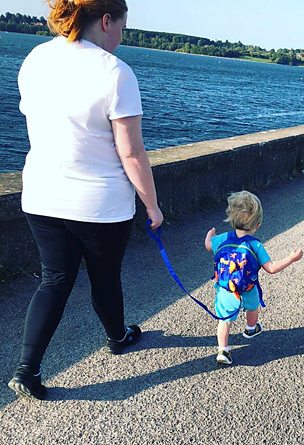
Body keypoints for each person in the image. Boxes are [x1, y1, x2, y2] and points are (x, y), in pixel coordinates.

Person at [8, 0, 163, 400]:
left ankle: (28, 370)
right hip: (99, 203)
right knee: (104, 277)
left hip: (42, 193)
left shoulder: (36, 57)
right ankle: (117, 337)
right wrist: (152, 205)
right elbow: (131, 153)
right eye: (122, 27)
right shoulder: (115, 73)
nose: (122, 37)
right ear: (106, 20)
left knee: (54, 279)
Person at [205, 191, 303, 366]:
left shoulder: (221, 239)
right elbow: (271, 269)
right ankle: (251, 328)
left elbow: (207, 245)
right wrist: (291, 259)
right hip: (248, 288)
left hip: (226, 289)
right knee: (252, 307)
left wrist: (210, 234)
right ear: (257, 225)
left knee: (224, 321)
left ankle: (223, 351)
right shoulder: (255, 245)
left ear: (231, 218)